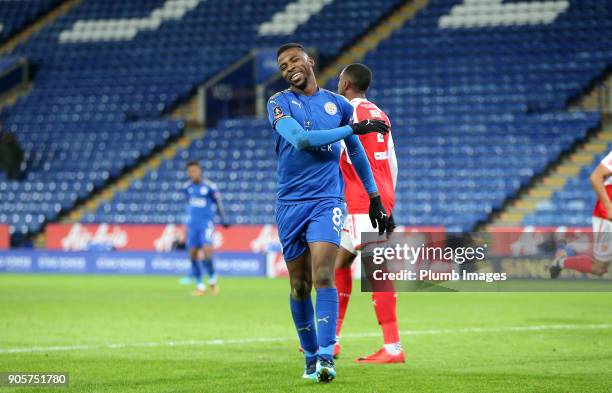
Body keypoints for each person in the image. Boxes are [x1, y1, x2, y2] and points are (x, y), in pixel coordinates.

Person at [267, 43, 390, 383]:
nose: (289, 66)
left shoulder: (337, 105)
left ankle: (325, 357)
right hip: (290, 204)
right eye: (282, 64)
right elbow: (302, 140)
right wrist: (353, 129)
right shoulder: (278, 103)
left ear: (310, 62)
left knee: (324, 276)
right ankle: (309, 357)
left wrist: (374, 196)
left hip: (327, 201)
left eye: (294, 59)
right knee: (299, 285)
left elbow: (357, 154)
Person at [334, 63, 404, 363]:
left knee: (376, 270)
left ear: (347, 83)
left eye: (339, 79)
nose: (338, 83)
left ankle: (393, 347)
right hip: (378, 197)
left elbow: (343, 152)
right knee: (339, 264)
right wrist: (389, 202)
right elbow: (392, 160)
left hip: (364, 200)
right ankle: (332, 339)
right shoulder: (380, 114)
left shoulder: (347, 114)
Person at [550, 151, 612, 278]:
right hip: (607, 215)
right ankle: (561, 262)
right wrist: (609, 207)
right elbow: (595, 177)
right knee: (599, 268)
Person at [183, 160, 229, 296]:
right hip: (192, 226)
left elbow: (218, 202)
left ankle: (212, 279)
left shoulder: (210, 187)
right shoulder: (186, 188)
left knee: (207, 251)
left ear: (200, 171)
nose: (193, 173)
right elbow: (189, 206)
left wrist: (223, 219)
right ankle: (200, 286)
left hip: (206, 224)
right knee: (192, 254)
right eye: (190, 171)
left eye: (195, 170)